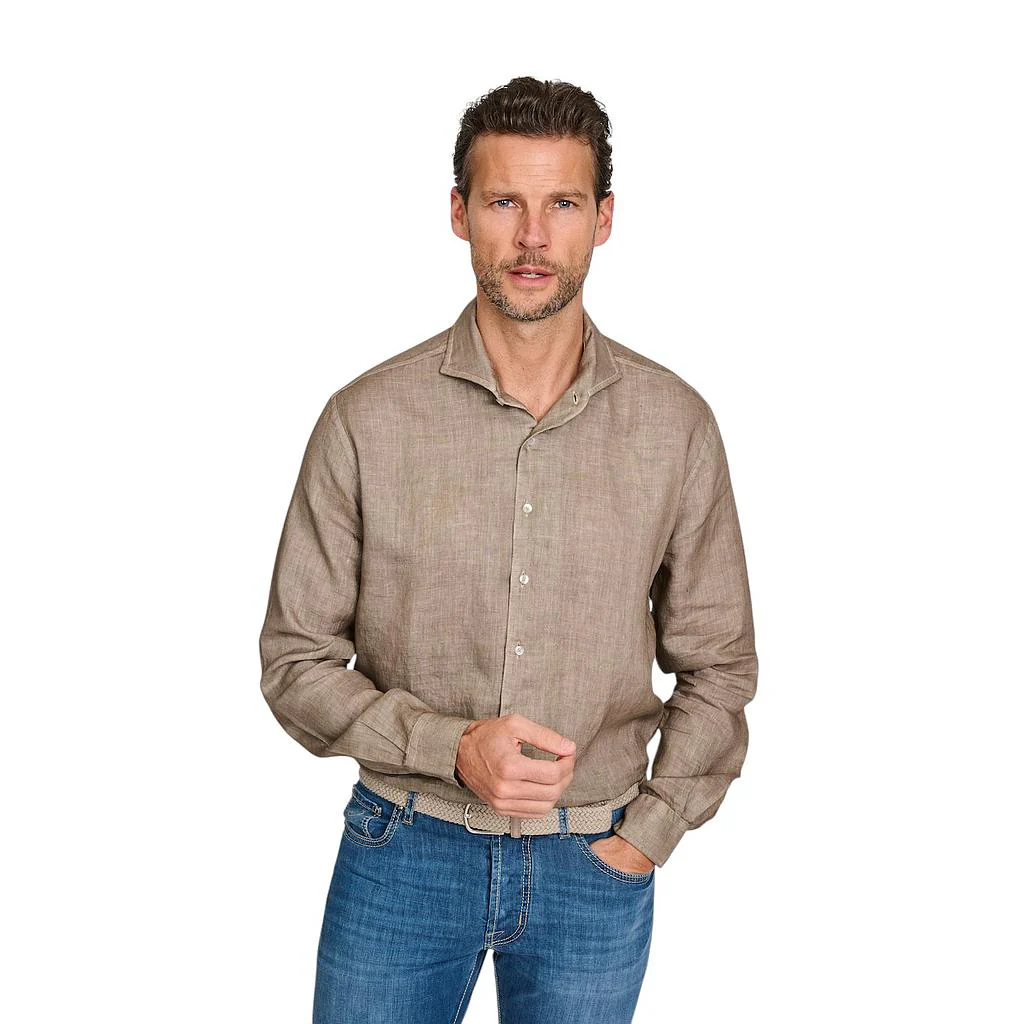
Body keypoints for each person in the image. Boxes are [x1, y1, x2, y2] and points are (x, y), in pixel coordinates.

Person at [258, 75, 758, 1024]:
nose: (533, 237)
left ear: (603, 218)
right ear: (459, 213)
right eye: (504, 203)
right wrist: (447, 746)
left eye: (562, 204)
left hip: (593, 863)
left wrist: (651, 831)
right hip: (404, 852)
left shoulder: (676, 426)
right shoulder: (365, 420)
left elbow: (720, 663)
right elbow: (294, 661)